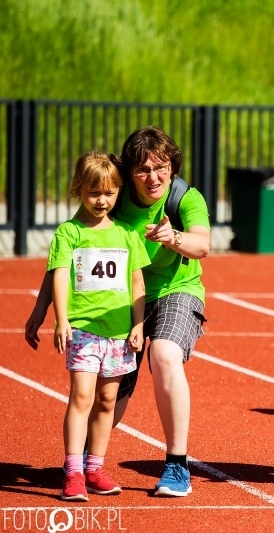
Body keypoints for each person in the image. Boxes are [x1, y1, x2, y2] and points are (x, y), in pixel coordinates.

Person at [25, 126, 211, 497]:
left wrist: (172, 237)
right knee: (108, 398)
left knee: (164, 354)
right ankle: (84, 465)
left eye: (161, 168)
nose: (153, 177)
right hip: (119, 303)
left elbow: (202, 244)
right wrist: (42, 307)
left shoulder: (185, 198)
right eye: (143, 169)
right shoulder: (111, 195)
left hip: (176, 291)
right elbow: (66, 255)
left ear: (172, 168)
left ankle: (177, 465)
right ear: (129, 173)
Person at [50, 151, 149, 501]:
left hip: (119, 332)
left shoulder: (127, 234)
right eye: (94, 193)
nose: (102, 200)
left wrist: (138, 325)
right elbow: (59, 276)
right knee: (82, 396)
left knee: (107, 399)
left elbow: (137, 283)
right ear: (79, 189)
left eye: (109, 193)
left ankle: (95, 468)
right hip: (83, 329)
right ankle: (73, 472)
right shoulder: (69, 233)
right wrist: (62, 319)